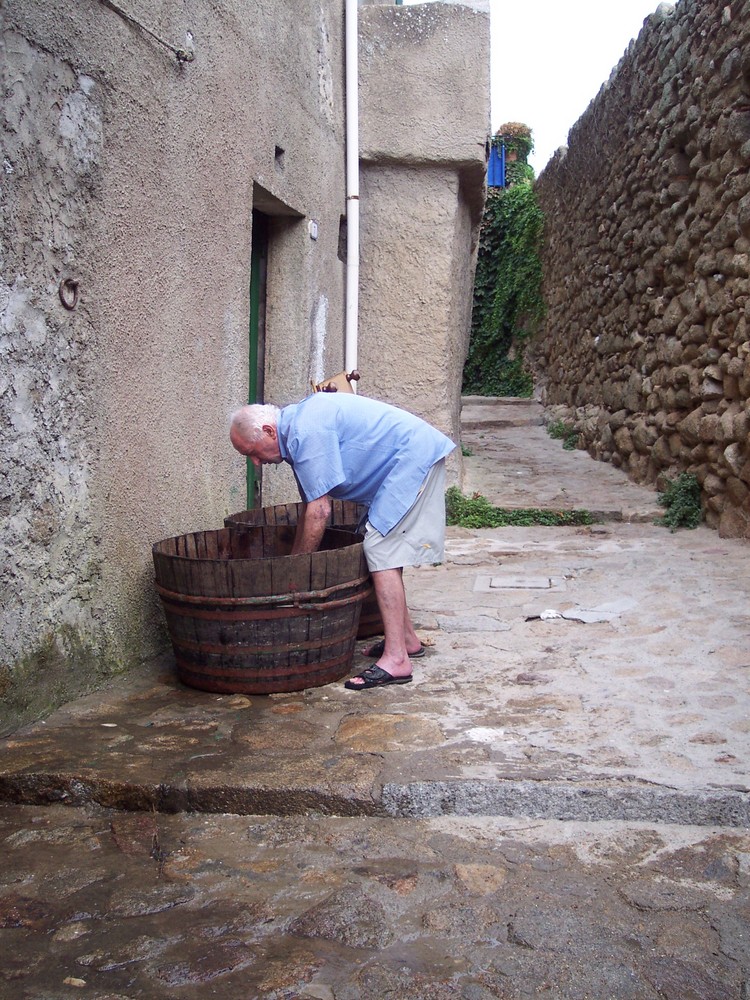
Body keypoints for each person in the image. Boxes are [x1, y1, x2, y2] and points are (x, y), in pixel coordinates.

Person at [229, 392, 455, 691]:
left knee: (380, 549)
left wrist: (295, 569)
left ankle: (397, 659)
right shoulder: (296, 432)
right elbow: (313, 504)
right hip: (407, 460)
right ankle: (408, 641)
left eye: (253, 453)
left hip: (413, 460)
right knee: (380, 547)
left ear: (269, 432)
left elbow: (320, 511)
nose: (256, 463)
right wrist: (297, 560)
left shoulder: (305, 431)